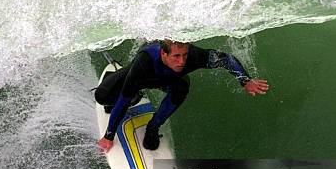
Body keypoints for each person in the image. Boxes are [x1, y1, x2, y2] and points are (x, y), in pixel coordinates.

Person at [95, 40, 269, 152]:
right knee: (103, 97)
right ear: (164, 54)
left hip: (169, 81)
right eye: (176, 56)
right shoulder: (145, 61)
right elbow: (124, 100)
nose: (181, 62)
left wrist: (245, 81)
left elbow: (226, 59)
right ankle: (136, 95)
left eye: (184, 55)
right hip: (140, 77)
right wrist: (109, 136)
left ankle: (153, 127)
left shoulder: (193, 56)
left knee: (182, 86)